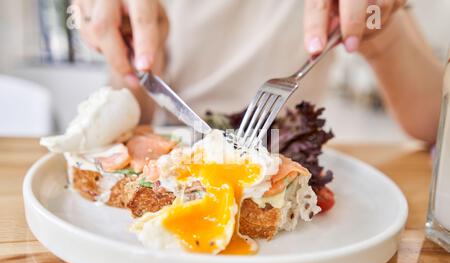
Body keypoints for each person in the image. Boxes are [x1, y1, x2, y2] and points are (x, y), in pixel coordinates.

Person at [74, 0, 444, 144]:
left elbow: (435, 124)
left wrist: (379, 33)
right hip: (170, 151)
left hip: (290, 164)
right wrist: (128, 50)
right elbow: (134, 117)